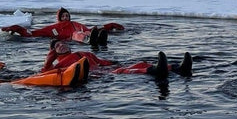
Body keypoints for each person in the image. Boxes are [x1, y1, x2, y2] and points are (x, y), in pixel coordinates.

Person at [42, 40, 192, 79]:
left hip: (103, 69)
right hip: (97, 76)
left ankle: (177, 67)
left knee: (138, 63)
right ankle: (155, 70)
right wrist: (49, 59)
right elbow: (46, 72)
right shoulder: (60, 63)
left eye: (62, 43)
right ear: (54, 52)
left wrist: (112, 63)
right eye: (57, 46)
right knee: (122, 71)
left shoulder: (83, 52)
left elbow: (100, 61)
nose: (61, 46)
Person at [1, 8, 125, 46]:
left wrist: (110, 26)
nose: (66, 18)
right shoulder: (53, 27)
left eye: (67, 16)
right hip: (74, 38)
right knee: (78, 35)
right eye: (63, 16)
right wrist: (17, 28)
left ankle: (98, 39)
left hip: (85, 33)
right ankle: (91, 40)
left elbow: (91, 29)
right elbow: (33, 33)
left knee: (86, 32)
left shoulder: (76, 24)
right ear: (60, 18)